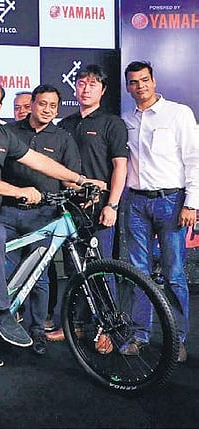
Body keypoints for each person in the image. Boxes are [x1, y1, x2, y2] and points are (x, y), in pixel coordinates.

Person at [0, 76, 102, 368]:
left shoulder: (1, 133)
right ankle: (2, 313)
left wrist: (79, 179)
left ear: (0, 106)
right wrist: (18, 191)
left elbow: (36, 160)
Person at [121, 60, 198, 363]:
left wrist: (192, 203)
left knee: (174, 273)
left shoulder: (179, 113)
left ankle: (177, 339)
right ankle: (139, 335)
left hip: (172, 202)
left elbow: (193, 159)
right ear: (128, 87)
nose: (140, 86)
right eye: (133, 82)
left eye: (144, 80)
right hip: (136, 203)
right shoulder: (125, 119)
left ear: (153, 81)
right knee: (138, 272)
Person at [48, 64, 128, 342]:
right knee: (74, 269)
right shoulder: (65, 125)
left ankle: (108, 330)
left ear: (102, 90)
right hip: (70, 208)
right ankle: (76, 324)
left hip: (100, 208)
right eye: (81, 83)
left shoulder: (112, 123)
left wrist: (112, 205)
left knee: (101, 268)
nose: (86, 89)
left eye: (93, 84)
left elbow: (120, 167)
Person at [0, 84, 81, 355]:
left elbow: (70, 177)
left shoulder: (63, 138)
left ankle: (37, 330)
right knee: (5, 273)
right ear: (32, 104)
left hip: (44, 216)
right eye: (43, 104)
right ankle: (3, 326)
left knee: (39, 275)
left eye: (53, 106)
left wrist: (86, 186)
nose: (47, 110)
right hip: (8, 213)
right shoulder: (10, 131)